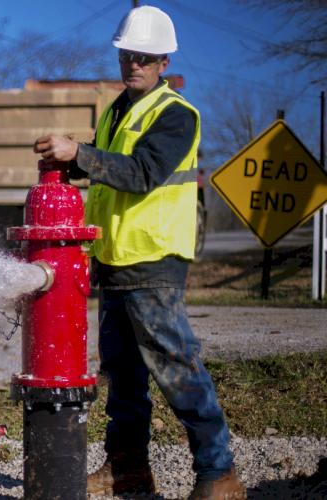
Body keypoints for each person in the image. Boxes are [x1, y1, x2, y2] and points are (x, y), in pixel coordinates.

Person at [32, 6, 246, 500]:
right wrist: (70, 163)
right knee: (124, 379)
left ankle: (219, 474)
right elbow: (113, 168)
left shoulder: (176, 116)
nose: (135, 64)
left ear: (164, 62)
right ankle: (128, 471)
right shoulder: (117, 109)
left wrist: (79, 155)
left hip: (152, 264)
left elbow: (142, 172)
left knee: (178, 370)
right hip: (114, 260)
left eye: (145, 58)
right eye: (128, 55)